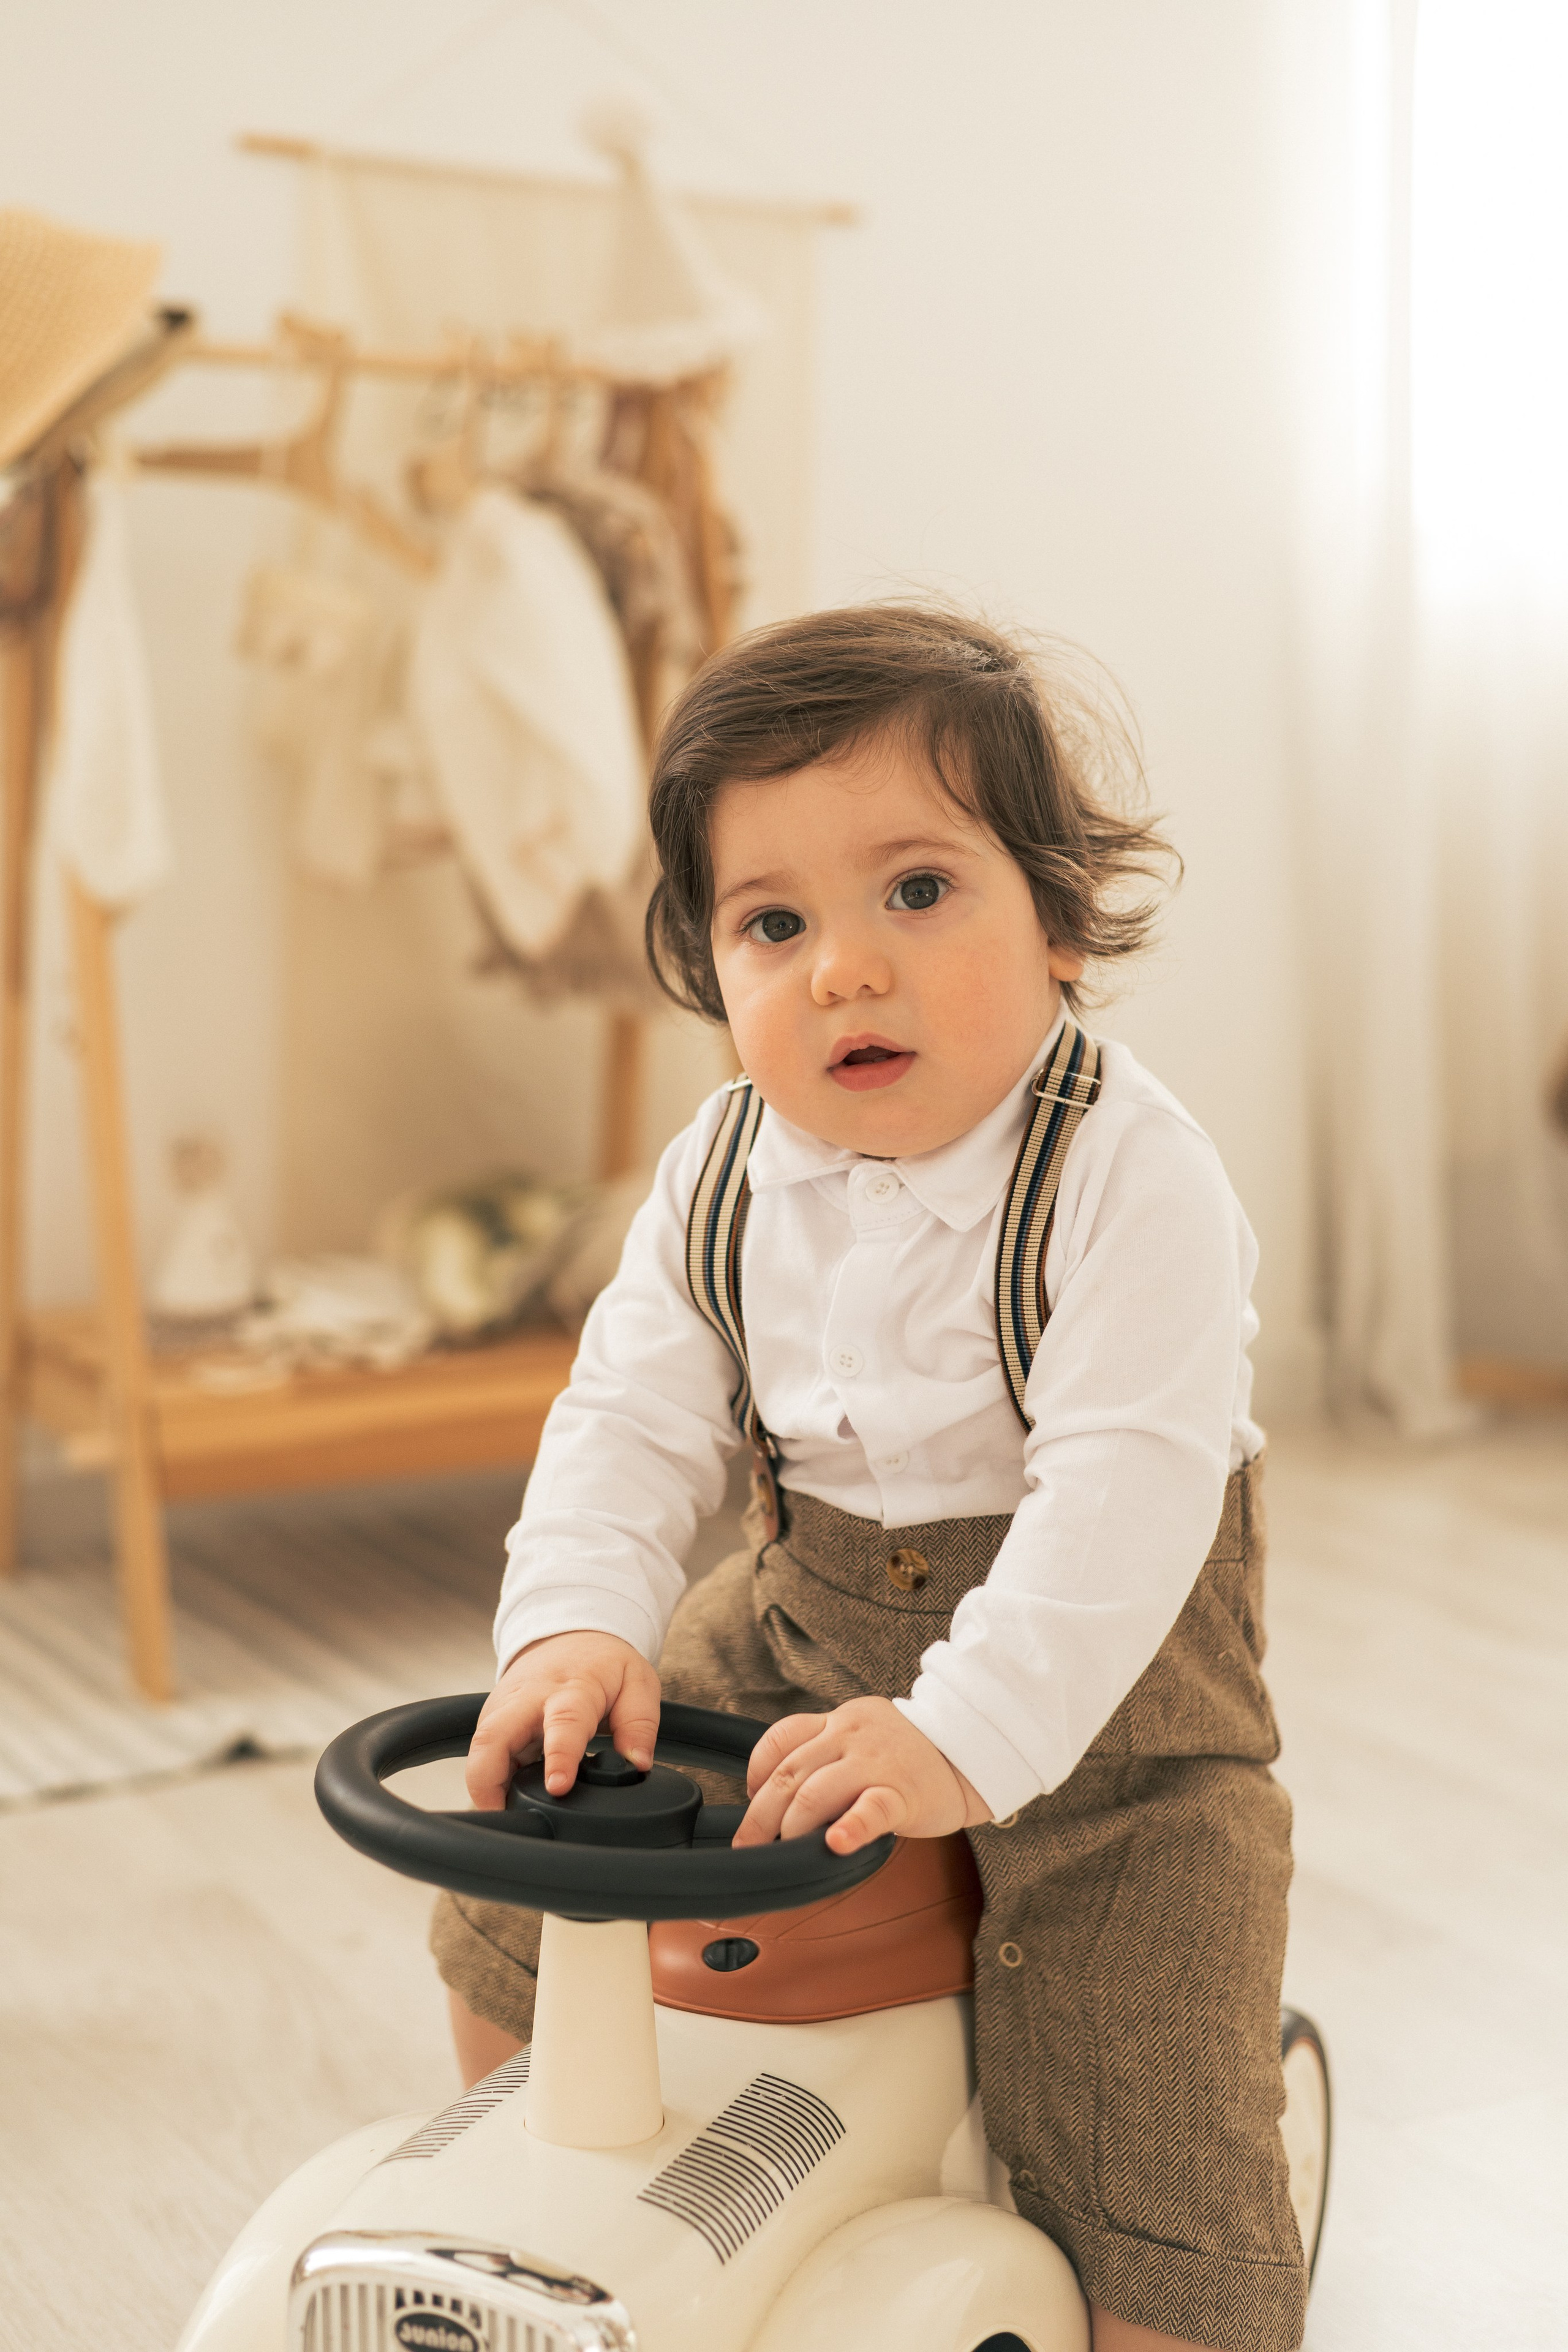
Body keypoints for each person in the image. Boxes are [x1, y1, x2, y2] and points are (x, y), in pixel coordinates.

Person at [432, 605, 1306, 2352]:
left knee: (1148, 2069)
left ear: (1060, 919)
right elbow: (629, 1415)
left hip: (1109, 1699)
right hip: (798, 1629)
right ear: (716, 974)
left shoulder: (1132, 1179)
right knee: (526, 1854)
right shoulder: (723, 1168)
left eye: (917, 890)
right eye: (775, 924)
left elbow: (1122, 1512)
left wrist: (962, 1741)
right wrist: (575, 1628)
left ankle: (1169, 2295)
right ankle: (538, 2218)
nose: (843, 968)